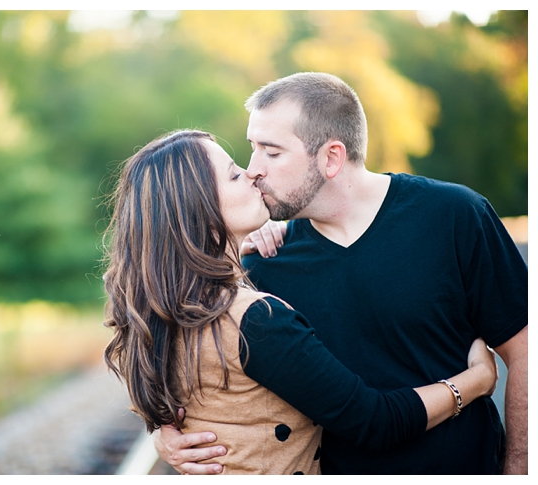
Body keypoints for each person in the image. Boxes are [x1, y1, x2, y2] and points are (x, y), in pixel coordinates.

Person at [153, 73, 528, 474]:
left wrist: (521, 469)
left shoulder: (454, 216)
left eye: (271, 152)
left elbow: (524, 349)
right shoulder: (264, 266)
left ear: (331, 157)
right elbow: (200, 367)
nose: (253, 170)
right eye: (252, 149)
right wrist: (163, 430)